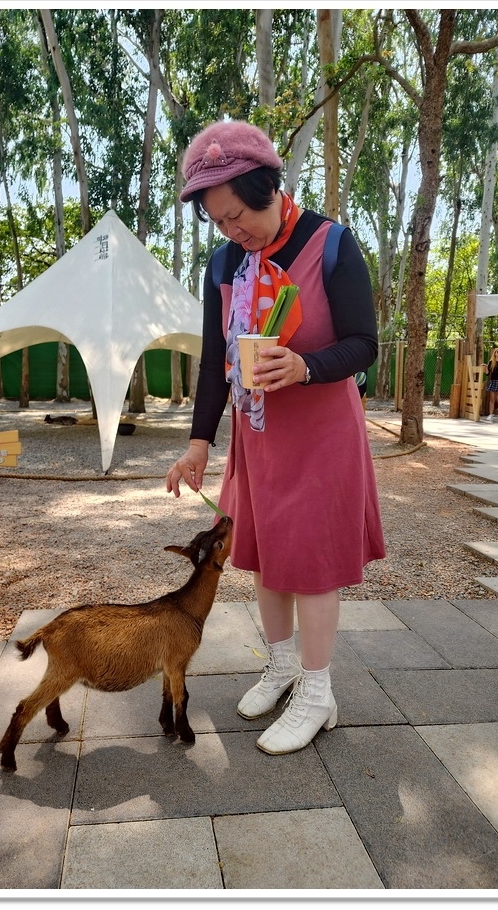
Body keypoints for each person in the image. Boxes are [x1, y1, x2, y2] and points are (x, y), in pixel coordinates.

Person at [165, 120, 386, 755]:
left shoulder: (332, 245)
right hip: (257, 435)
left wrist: (306, 365)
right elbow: (216, 359)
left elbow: (365, 344)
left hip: (320, 434)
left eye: (239, 215)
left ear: (269, 186)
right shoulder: (224, 264)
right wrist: (199, 444)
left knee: (312, 562)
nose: (234, 231)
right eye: (219, 221)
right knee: (263, 554)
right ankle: (283, 665)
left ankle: (319, 691)